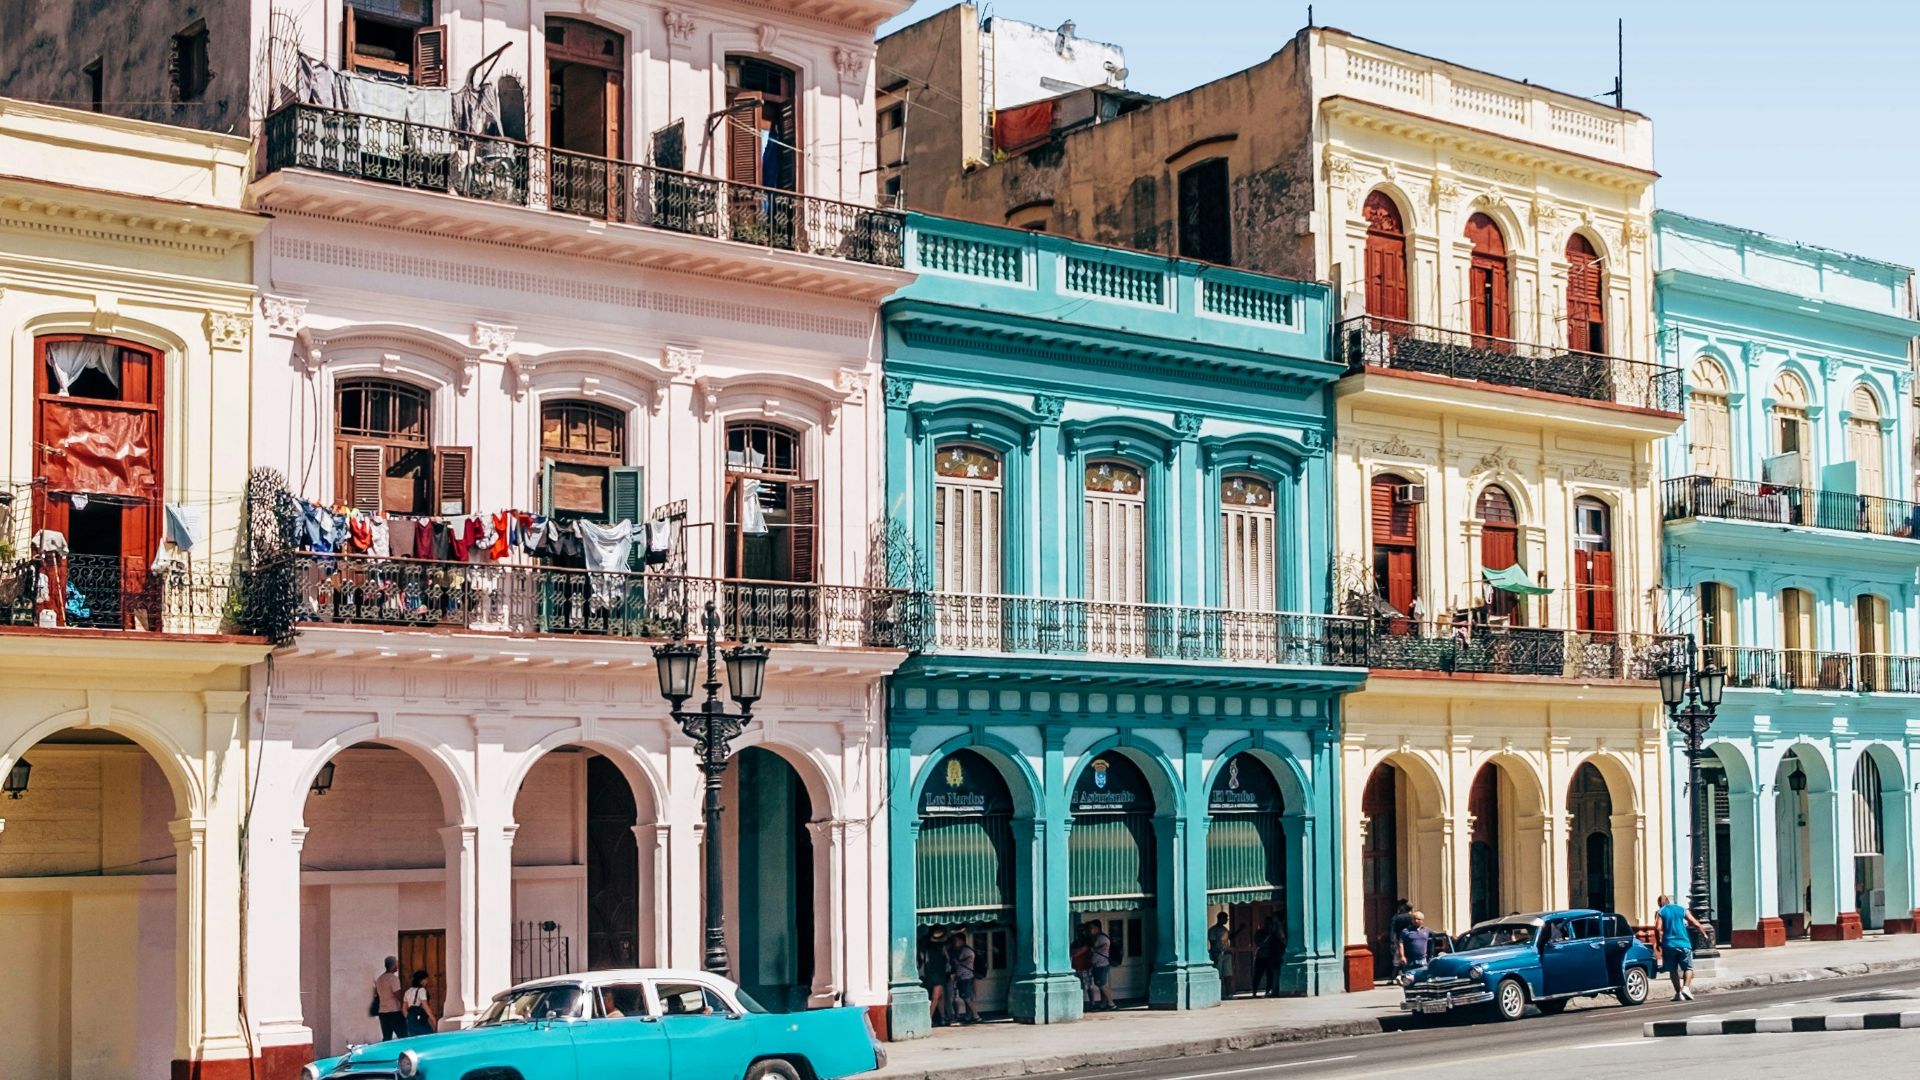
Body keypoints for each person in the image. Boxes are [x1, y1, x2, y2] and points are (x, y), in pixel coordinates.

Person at [1653, 894, 1706, 1001]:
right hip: (1684, 944)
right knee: (1688, 968)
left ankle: (1678, 993)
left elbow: (1657, 928)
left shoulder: (1661, 912)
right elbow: (1695, 923)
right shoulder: (1682, 909)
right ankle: (1686, 988)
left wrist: (1658, 943)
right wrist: (1704, 934)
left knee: (1673, 970)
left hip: (1669, 945)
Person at [950, 926, 982, 1025]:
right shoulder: (960, 950)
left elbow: (969, 959)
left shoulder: (966, 951)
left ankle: (976, 1016)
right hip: (962, 977)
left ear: (962, 941)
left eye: (957, 941)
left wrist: (959, 962)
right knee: (965, 997)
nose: (955, 943)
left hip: (966, 977)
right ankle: (968, 1016)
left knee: (967, 997)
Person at [374, 956, 406, 1041]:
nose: (398, 966)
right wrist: (405, 1006)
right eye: (397, 964)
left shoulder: (379, 979)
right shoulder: (393, 978)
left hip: (383, 1011)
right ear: (393, 965)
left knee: (387, 1037)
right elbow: (397, 994)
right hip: (394, 1011)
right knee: (403, 1036)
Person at [922, 929, 951, 1026]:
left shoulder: (927, 949)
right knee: (936, 997)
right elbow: (947, 961)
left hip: (931, 974)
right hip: (939, 974)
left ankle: (942, 1017)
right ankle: (928, 1018)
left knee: (939, 997)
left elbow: (926, 962)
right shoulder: (942, 948)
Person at [1087, 919, 1116, 1012]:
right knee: (1100, 984)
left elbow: (1104, 946)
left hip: (1102, 964)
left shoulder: (1101, 938)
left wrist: (1094, 949)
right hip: (1097, 964)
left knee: (1102, 984)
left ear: (1097, 928)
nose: (1090, 930)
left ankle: (1111, 1003)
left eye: (1091, 928)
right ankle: (1103, 1004)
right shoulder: (1097, 937)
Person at [1254, 917, 1286, 998]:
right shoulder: (1260, 933)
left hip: (1270, 957)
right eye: (1267, 924)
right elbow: (1259, 943)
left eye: (1270, 924)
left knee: (1270, 975)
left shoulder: (1275, 935)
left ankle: (1268, 991)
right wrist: (1268, 935)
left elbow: (1282, 941)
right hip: (1261, 957)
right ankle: (1254, 992)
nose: (1268, 926)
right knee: (1258, 975)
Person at [1208, 912, 1234, 997]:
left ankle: (1228, 993)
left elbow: (1230, 937)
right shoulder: (1213, 930)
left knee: (1228, 974)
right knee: (1218, 975)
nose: (1227, 920)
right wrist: (1214, 956)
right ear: (1220, 918)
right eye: (1225, 918)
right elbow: (1212, 943)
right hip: (1218, 954)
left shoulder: (1225, 929)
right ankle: (1218, 993)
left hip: (1226, 953)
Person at [404, 970, 437, 1037]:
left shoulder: (408, 991)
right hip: (420, 1019)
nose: (427, 981)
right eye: (426, 979)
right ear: (422, 980)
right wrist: (433, 1018)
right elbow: (425, 1006)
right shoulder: (421, 990)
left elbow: (404, 1009)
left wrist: (410, 1018)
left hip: (411, 1021)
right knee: (429, 1038)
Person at [1070, 924, 1094, 1005]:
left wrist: (1077, 951)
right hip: (1076, 967)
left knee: (1089, 986)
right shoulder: (1075, 942)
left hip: (1086, 966)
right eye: (1079, 930)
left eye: (1082, 930)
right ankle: (1080, 1003)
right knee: (1079, 986)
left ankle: (1092, 1002)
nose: (1080, 932)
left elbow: (1079, 952)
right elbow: (1071, 952)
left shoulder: (1088, 941)